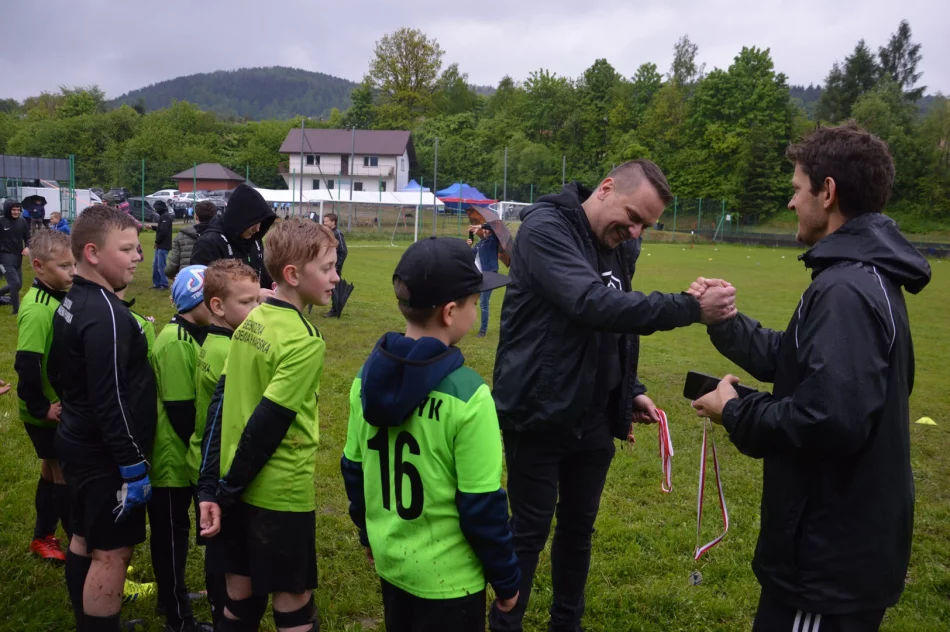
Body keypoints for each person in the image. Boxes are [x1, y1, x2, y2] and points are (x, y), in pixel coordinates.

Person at [690, 123, 931, 632]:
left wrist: (734, 410)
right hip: (836, 551)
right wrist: (725, 322)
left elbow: (827, 421)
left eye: (798, 188)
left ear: (828, 192)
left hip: (827, 560)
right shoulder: (857, 277)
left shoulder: (845, 291)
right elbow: (795, 358)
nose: (791, 202)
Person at [489, 160, 737, 632]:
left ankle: (567, 624)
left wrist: (630, 388)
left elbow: (617, 321)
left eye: (646, 225)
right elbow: (590, 303)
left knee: (578, 530)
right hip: (538, 409)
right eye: (633, 217)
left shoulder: (621, 243)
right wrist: (690, 307)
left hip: (595, 416)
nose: (636, 232)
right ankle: (505, 625)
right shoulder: (546, 229)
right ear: (605, 188)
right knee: (528, 532)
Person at [341, 237, 520, 632]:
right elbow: (482, 505)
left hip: (391, 562)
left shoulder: (363, 381)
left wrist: (368, 535)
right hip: (451, 581)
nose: (478, 308)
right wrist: (507, 579)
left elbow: (353, 469)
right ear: (451, 312)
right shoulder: (470, 396)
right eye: (475, 302)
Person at [197, 219, 338, 632]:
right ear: (292, 275)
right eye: (327, 268)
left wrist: (213, 487)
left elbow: (219, 405)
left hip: (233, 482)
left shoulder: (252, 320)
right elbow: (267, 425)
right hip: (280, 493)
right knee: (293, 602)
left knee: (238, 598)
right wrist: (223, 492)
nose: (336, 277)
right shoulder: (305, 340)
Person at [49, 204, 156, 632]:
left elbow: (59, 370)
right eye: (126, 249)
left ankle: (88, 621)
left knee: (83, 536)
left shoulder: (74, 298)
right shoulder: (107, 313)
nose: (137, 257)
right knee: (112, 554)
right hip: (104, 455)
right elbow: (110, 397)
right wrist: (131, 464)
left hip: (79, 441)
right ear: (92, 253)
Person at [186, 259, 260, 627]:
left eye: (258, 300)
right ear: (217, 306)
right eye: (247, 303)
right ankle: (221, 609)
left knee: (218, 546)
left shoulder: (214, 341)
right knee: (224, 551)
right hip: (217, 463)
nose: (256, 310)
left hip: (205, 457)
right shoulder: (228, 351)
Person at [148, 265, 213, 632]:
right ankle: (177, 617)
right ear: (194, 302)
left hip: (185, 452)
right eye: (211, 300)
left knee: (178, 531)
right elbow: (179, 409)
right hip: (171, 458)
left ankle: (172, 596)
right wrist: (201, 451)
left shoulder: (192, 334)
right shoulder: (174, 340)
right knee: (171, 536)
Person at [14, 229, 76, 562]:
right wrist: (41, 408)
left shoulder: (57, 298)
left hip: (55, 405)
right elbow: (27, 363)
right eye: (64, 267)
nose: (72, 272)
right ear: (38, 266)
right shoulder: (38, 308)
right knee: (65, 474)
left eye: (74, 264)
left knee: (51, 471)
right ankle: (82, 547)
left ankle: (43, 537)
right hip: (46, 411)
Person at [190, 184, 277, 289]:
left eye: (261, 223)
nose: (257, 229)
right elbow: (204, 289)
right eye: (254, 223)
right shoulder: (208, 244)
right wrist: (255, 294)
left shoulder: (255, 241)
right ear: (241, 219)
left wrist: (275, 290)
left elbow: (263, 274)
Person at [466, 222, 501, 337]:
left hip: (489, 275)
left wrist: (481, 226)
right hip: (477, 276)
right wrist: (469, 245)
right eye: (484, 229)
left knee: (483, 303)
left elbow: (495, 226)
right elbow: (470, 256)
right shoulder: (481, 242)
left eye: (487, 229)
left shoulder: (493, 240)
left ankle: (483, 330)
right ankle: (465, 324)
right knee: (469, 299)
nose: (485, 231)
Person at [166, 201, 216, 279]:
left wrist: (171, 275)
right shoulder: (221, 236)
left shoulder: (181, 236)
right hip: (213, 280)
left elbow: (172, 266)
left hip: (187, 280)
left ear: (196, 216)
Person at [0, 199, 32, 315]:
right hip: (3, 257)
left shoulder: (22, 221)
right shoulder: (1, 221)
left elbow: (28, 237)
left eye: (18, 210)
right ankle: (16, 311)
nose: (16, 212)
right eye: (13, 209)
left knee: (18, 285)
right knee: (15, 283)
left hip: (18, 257)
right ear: (8, 210)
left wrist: (27, 247)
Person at [322, 213, 347, 318]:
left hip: (334, 267)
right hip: (327, 265)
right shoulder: (327, 233)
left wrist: (337, 266)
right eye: (324, 221)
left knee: (335, 288)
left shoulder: (337, 234)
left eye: (326, 221)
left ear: (333, 222)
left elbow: (343, 251)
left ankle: (335, 310)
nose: (324, 223)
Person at [152, 200, 173, 290]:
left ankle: (164, 284)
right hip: (160, 245)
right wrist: (154, 228)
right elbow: (161, 229)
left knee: (161, 265)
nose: (156, 210)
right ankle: (157, 283)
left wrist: (157, 241)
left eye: (156, 208)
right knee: (155, 265)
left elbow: (163, 232)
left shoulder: (165, 217)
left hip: (163, 245)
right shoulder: (163, 216)